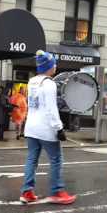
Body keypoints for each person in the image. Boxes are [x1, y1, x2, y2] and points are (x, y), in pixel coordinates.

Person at [20, 50, 77, 205]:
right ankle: (57, 191)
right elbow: (51, 109)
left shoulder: (31, 82)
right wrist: (59, 128)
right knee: (56, 159)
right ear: (49, 66)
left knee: (32, 159)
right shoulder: (49, 84)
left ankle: (27, 191)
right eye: (54, 64)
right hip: (45, 128)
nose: (56, 66)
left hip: (31, 127)